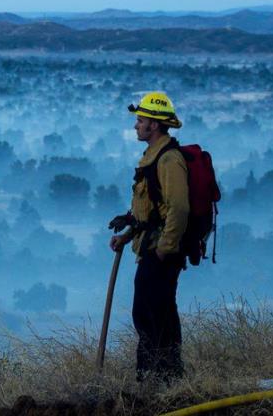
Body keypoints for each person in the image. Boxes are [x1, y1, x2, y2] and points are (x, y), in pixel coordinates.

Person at [109, 91, 189, 383]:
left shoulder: (169, 160)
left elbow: (179, 208)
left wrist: (164, 250)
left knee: (151, 315)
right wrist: (127, 235)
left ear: (154, 125)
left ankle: (158, 379)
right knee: (152, 314)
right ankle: (161, 378)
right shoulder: (152, 157)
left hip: (160, 253)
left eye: (140, 120)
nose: (136, 125)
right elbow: (151, 212)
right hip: (150, 248)